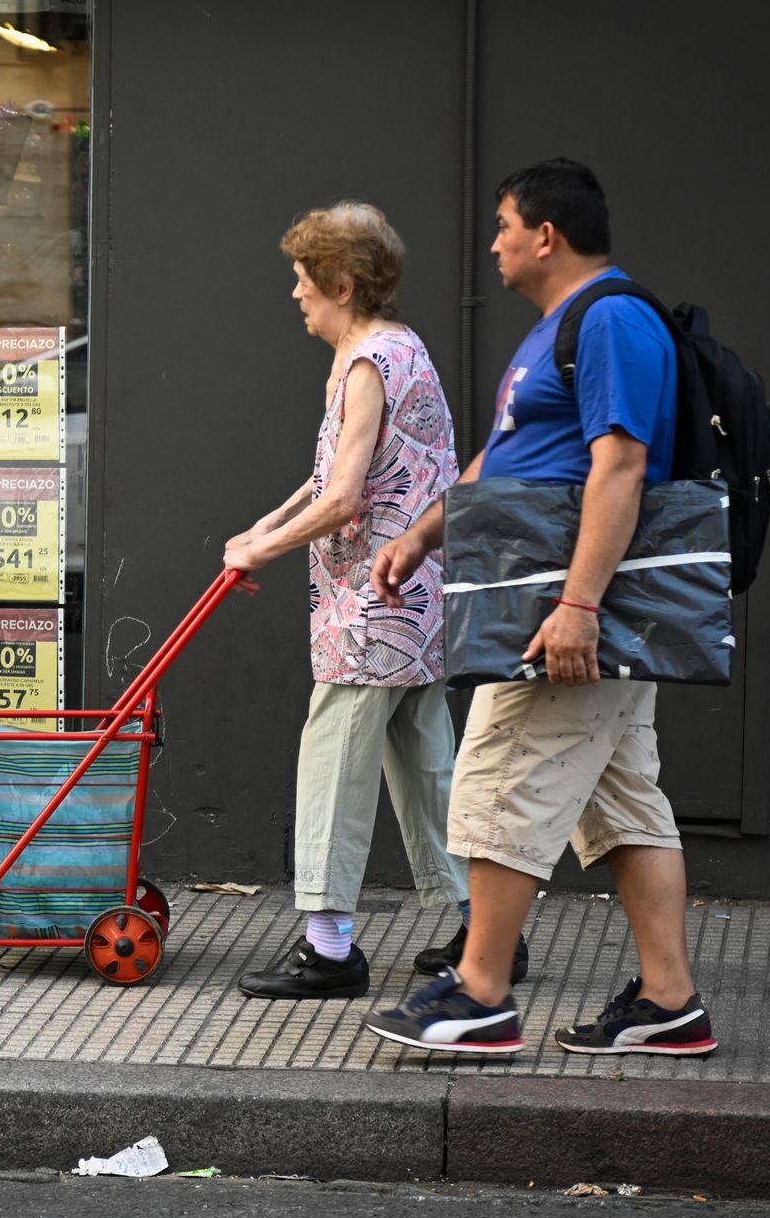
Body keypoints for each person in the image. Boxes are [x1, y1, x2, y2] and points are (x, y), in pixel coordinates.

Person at [364, 159, 716, 1056]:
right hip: (560, 603)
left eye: (504, 225)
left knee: (499, 777)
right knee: (625, 803)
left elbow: (621, 465)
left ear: (545, 235)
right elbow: (508, 454)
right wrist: (426, 533)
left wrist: (578, 605)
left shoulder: (613, 320)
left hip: (568, 613)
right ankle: (669, 1001)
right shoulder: (559, 331)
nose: (494, 244)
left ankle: (480, 992)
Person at [222, 202, 478, 1000]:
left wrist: (263, 548)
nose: (296, 294)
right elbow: (328, 479)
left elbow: (343, 499)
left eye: (304, 280)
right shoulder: (391, 350)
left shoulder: (368, 363)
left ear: (341, 283)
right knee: (425, 760)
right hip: (414, 598)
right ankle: (484, 926)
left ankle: (330, 949)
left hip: (374, 605)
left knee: (334, 758)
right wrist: (263, 526)